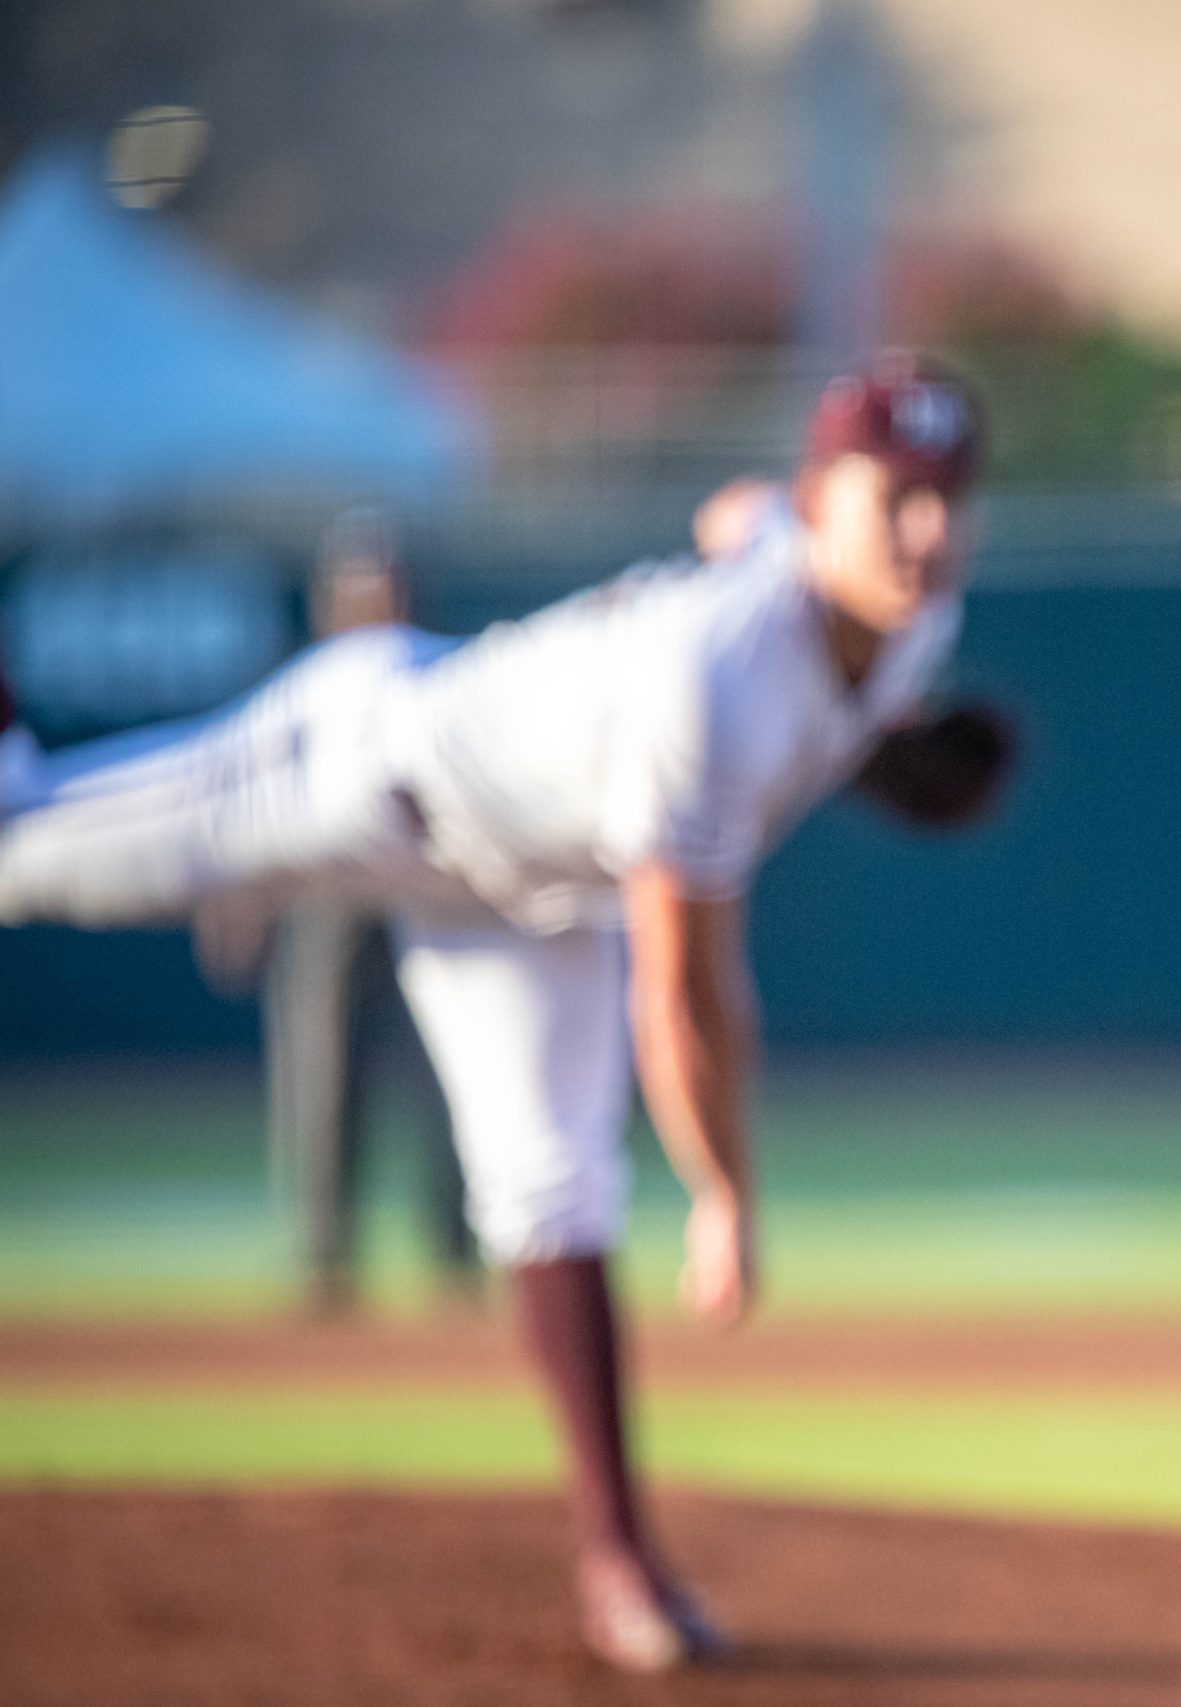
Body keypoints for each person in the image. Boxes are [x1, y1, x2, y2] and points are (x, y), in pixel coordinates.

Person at [0, 353, 1008, 1673]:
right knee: (17, 844)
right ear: (833, 501)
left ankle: (620, 1559)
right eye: (897, 497)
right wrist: (726, 1194)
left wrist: (878, 732)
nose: (929, 529)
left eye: (951, 496)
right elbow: (688, 990)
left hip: (521, 887)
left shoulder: (905, 612)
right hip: (377, 766)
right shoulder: (710, 681)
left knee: (551, 1190)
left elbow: (736, 512)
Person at [267, 510, 474, 1316]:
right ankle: (326, 1256)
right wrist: (243, 898)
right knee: (322, 1075)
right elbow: (258, 802)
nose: (373, 600)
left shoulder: (439, 671)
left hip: (427, 894)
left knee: (457, 1075)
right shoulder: (307, 686)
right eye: (358, 588)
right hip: (331, 898)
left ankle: (455, 1256)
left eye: (383, 585)